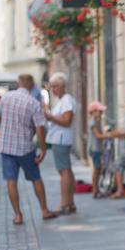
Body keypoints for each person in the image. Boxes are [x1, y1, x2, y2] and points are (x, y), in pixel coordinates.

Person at [0, 74, 57, 225]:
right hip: (25, 148)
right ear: (32, 86)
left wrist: (6, 123)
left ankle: (18, 215)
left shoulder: (6, 97)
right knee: (35, 178)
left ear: (18, 84)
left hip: (6, 147)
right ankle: (44, 210)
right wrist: (43, 149)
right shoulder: (33, 103)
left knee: (11, 181)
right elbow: (40, 129)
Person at [44, 72, 77, 215]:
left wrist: (50, 116)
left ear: (62, 86)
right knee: (65, 170)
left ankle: (64, 203)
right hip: (59, 138)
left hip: (61, 139)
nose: (53, 89)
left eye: (55, 86)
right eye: (51, 87)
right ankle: (70, 202)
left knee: (64, 171)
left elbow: (66, 120)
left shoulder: (67, 100)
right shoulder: (62, 100)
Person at [87, 101, 109, 198]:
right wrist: (109, 135)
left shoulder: (97, 121)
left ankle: (96, 189)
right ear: (93, 111)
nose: (101, 113)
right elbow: (98, 136)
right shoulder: (93, 123)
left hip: (97, 148)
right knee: (96, 169)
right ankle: (95, 190)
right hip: (94, 149)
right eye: (99, 111)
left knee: (98, 169)